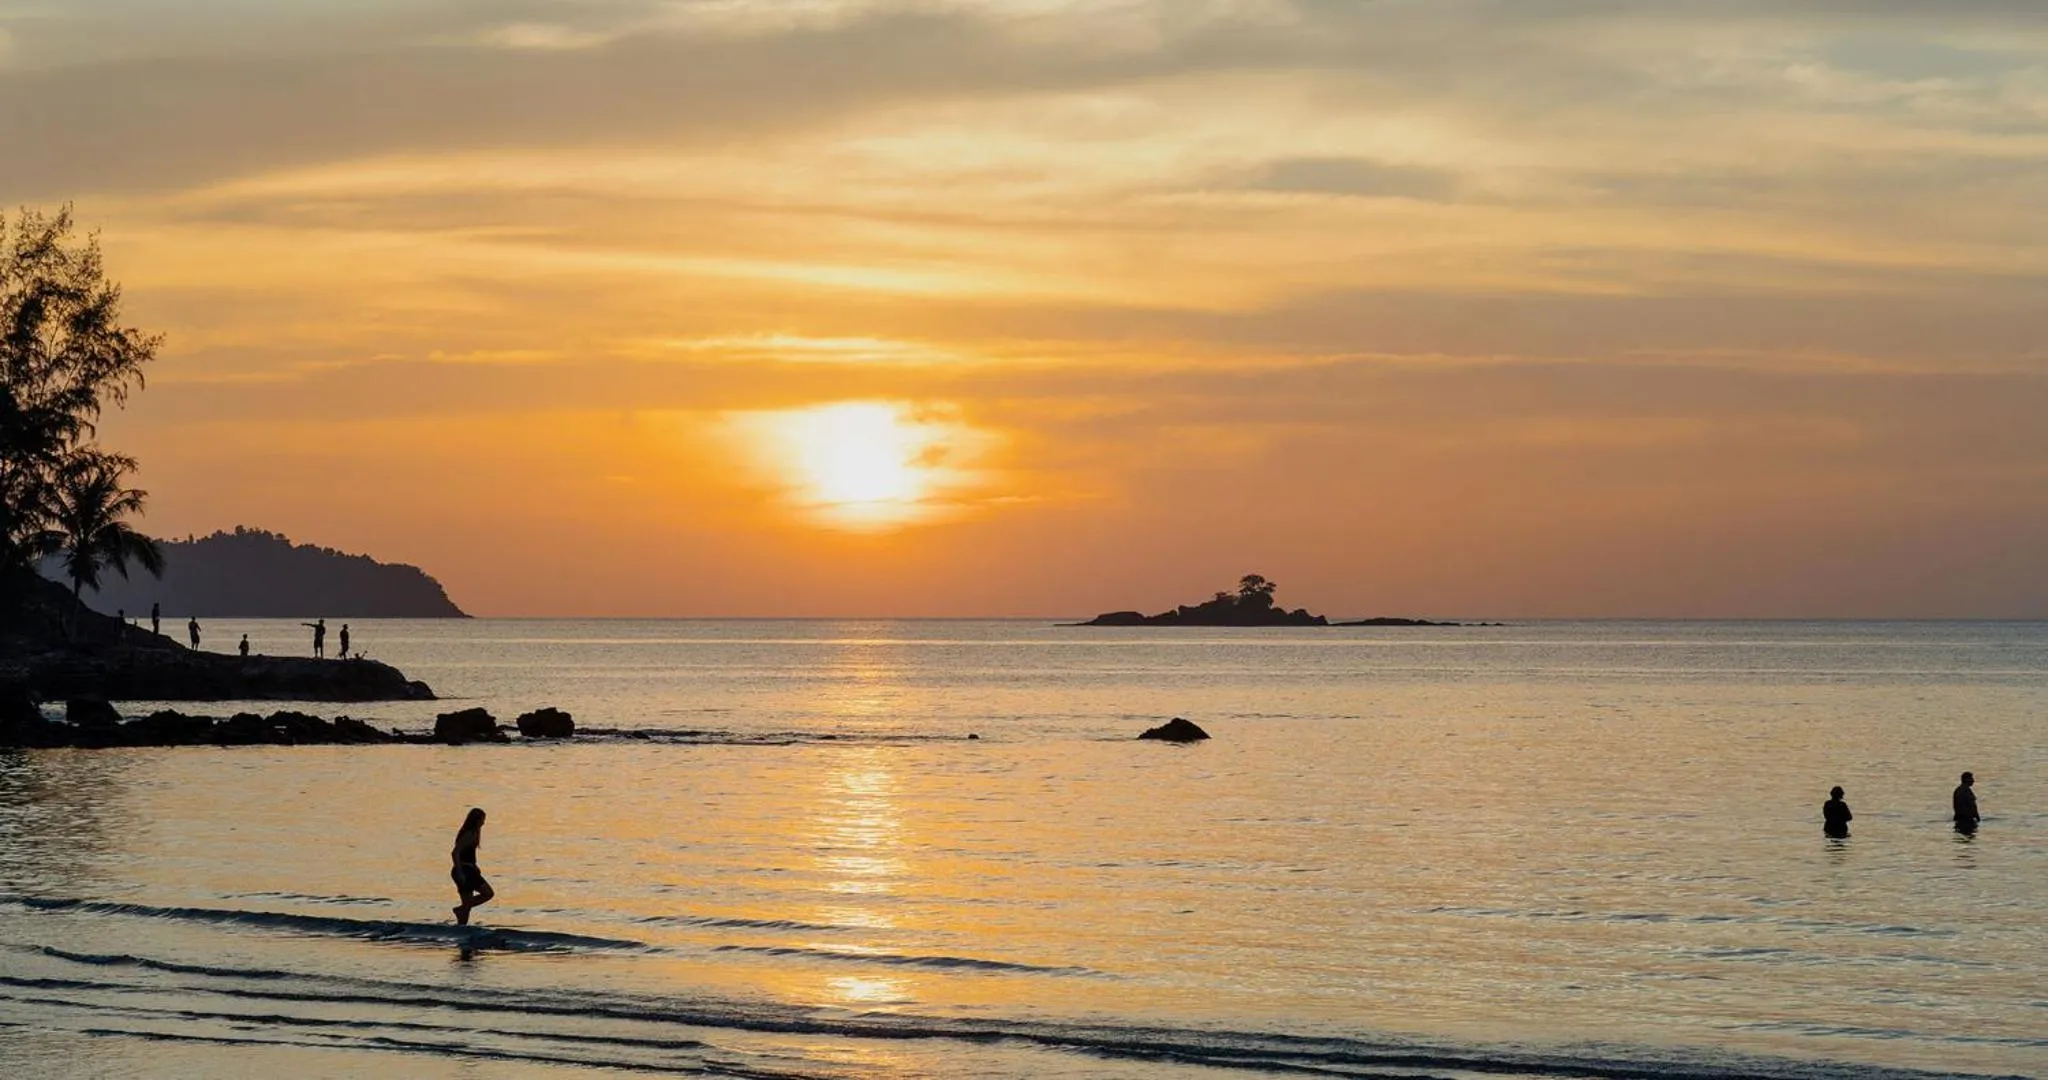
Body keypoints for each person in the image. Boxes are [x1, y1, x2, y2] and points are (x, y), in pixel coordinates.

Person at [451, 808, 494, 926]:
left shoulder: (474, 833)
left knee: (466, 909)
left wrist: (475, 867)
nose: (483, 823)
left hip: (469, 870)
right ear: (476, 820)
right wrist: (460, 872)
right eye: (482, 820)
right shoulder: (469, 834)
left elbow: (469, 855)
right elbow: (455, 853)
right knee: (488, 893)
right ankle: (461, 909)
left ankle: (461, 927)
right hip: (464, 871)